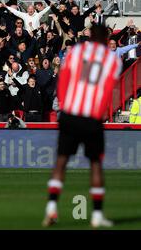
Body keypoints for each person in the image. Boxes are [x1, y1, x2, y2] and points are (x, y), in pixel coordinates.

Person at [43, 25, 122, 228]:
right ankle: (96, 216)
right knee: (96, 164)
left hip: (70, 113)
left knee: (61, 161)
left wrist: (65, 104)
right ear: (106, 39)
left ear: (90, 36)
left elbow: (63, 79)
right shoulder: (112, 59)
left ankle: (51, 208)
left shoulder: (76, 52)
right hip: (92, 117)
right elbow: (107, 89)